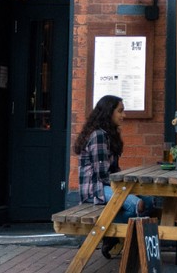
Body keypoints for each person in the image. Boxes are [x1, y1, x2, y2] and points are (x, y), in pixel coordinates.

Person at [75, 95, 145, 258]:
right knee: (138, 204)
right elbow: (102, 174)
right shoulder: (98, 135)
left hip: (107, 186)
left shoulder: (109, 134)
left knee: (148, 201)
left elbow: (114, 170)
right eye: (120, 111)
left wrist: (125, 185)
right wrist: (124, 187)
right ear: (108, 112)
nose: (124, 115)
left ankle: (110, 231)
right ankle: (109, 233)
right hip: (95, 189)